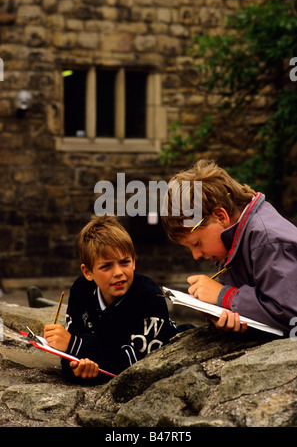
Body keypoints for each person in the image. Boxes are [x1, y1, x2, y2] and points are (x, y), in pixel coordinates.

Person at [44, 215, 192, 384]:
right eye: (106, 266)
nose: (118, 272)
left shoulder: (149, 295)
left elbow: (138, 365)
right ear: (88, 272)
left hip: (179, 347)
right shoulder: (81, 290)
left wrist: (77, 347)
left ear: (134, 261)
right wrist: (79, 369)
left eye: (125, 262)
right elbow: (67, 358)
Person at [161, 159, 297, 335]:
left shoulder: (268, 241)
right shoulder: (234, 238)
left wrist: (224, 296)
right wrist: (217, 311)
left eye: (196, 243)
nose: (196, 255)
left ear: (220, 216)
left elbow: (290, 313)